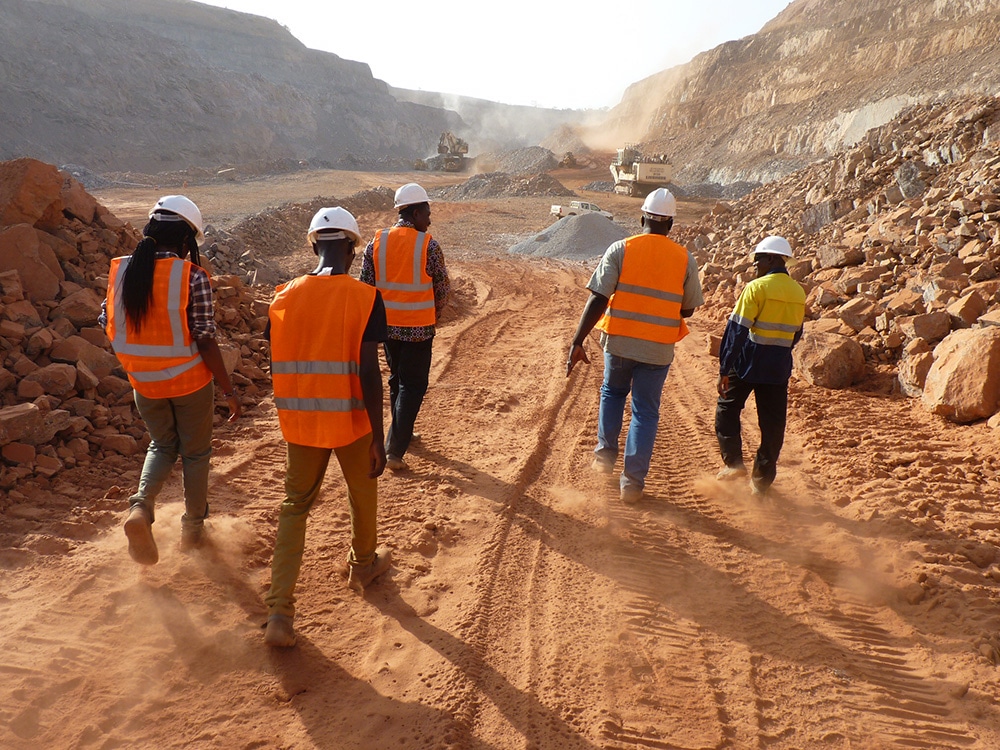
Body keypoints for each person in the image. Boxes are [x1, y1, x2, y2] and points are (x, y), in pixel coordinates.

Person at [264, 207, 391, 648]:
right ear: (352, 249)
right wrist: (378, 436)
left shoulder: (283, 296)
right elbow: (369, 372)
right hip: (351, 420)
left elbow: (280, 355)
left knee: (294, 507)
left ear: (314, 245)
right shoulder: (365, 297)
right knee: (362, 490)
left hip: (301, 422)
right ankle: (363, 564)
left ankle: (279, 611)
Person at [103, 195, 241, 565]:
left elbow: (107, 322)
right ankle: (192, 532)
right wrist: (228, 390)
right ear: (185, 240)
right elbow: (205, 339)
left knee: (161, 445)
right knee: (195, 454)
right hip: (188, 382)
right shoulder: (190, 275)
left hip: (143, 383)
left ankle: (140, 508)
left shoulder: (121, 272)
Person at [566, 188, 703, 504]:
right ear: (670, 224)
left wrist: (577, 340)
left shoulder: (620, 249)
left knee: (612, 393)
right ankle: (632, 484)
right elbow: (688, 310)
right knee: (645, 411)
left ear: (642, 219)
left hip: (619, 342)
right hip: (658, 349)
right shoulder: (685, 259)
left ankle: (604, 458)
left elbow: (598, 298)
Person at [359, 183, 450, 471]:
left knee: (398, 380)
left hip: (387, 329)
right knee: (413, 385)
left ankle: (403, 432)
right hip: (419, 328)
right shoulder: (428, 245)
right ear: (415, 212)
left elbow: (365, 287)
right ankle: (395, 450)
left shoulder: (376, 243)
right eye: (427, 213)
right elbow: (442, 288)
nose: (429, 220)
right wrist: (434, 313)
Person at [715, 235, 806, 496]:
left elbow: (737, 331)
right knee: (773, 424)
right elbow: (797, 332)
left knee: (727, 408)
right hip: (778, 366)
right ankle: (761, 482)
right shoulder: (798, 291)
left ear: (771, 259)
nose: (754, 265)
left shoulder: (756, 288)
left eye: (757, 260)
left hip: (748, 362)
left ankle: (733, 463)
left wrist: (724, 369)